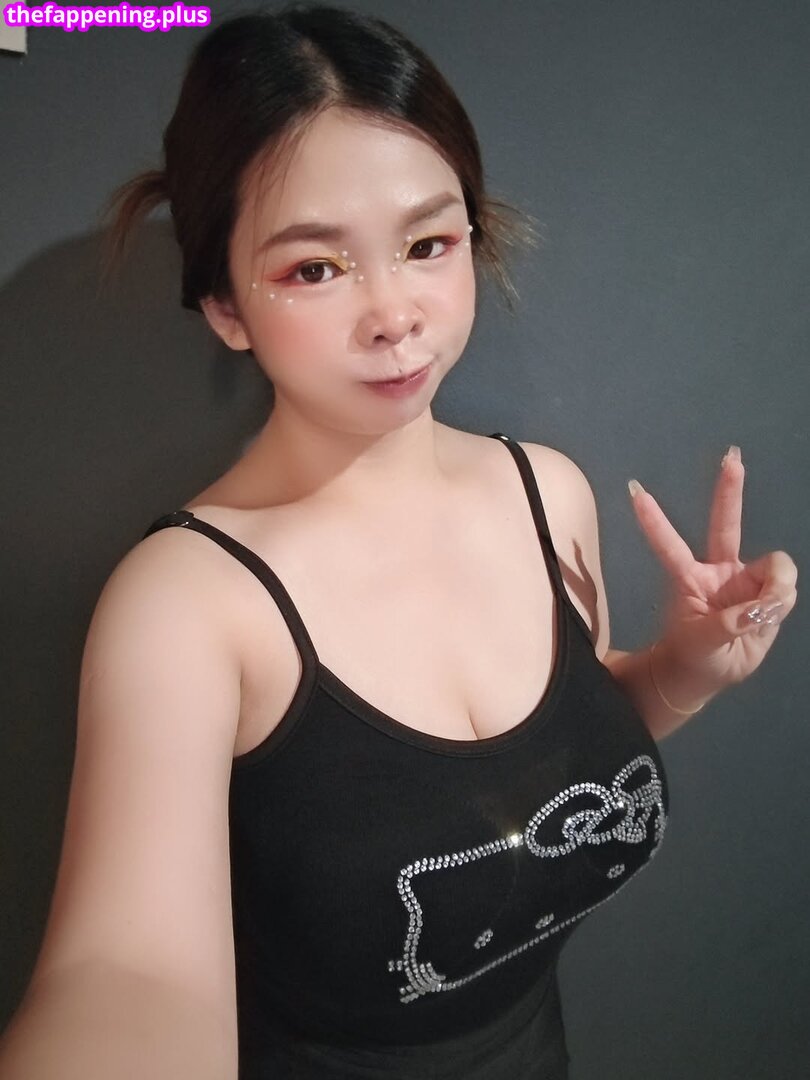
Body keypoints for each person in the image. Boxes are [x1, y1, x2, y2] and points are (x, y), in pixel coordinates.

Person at [0, 4, 797, 1079]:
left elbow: (528, 790)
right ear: (226, 305)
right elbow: (126, 975)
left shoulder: (546, 493)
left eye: (428, 245)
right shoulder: (187, 605)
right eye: (314, 269)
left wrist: (681, 673)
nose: (394, 315)